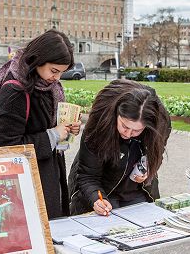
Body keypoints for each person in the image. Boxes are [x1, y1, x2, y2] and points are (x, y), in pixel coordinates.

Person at [0, 29, 80, 219]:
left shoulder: (47, 85)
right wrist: (54, 134)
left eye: (61, 73)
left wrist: (66, 129)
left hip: (47, 174)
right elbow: (6, 146)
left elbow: (48, 126)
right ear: (38, 59)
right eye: (54, 71)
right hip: (25, 185)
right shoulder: (15, 92)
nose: (56, 78)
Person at [68, 80, 171, 215]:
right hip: (101, 186)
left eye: (136, 131)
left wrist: (150, 168)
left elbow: (157, 152)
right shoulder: (99, 124)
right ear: (116, 114)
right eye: (124, 126)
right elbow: (88, 176)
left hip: (136, 189)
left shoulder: (160, 123)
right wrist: (96, 199)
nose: (128, 134)